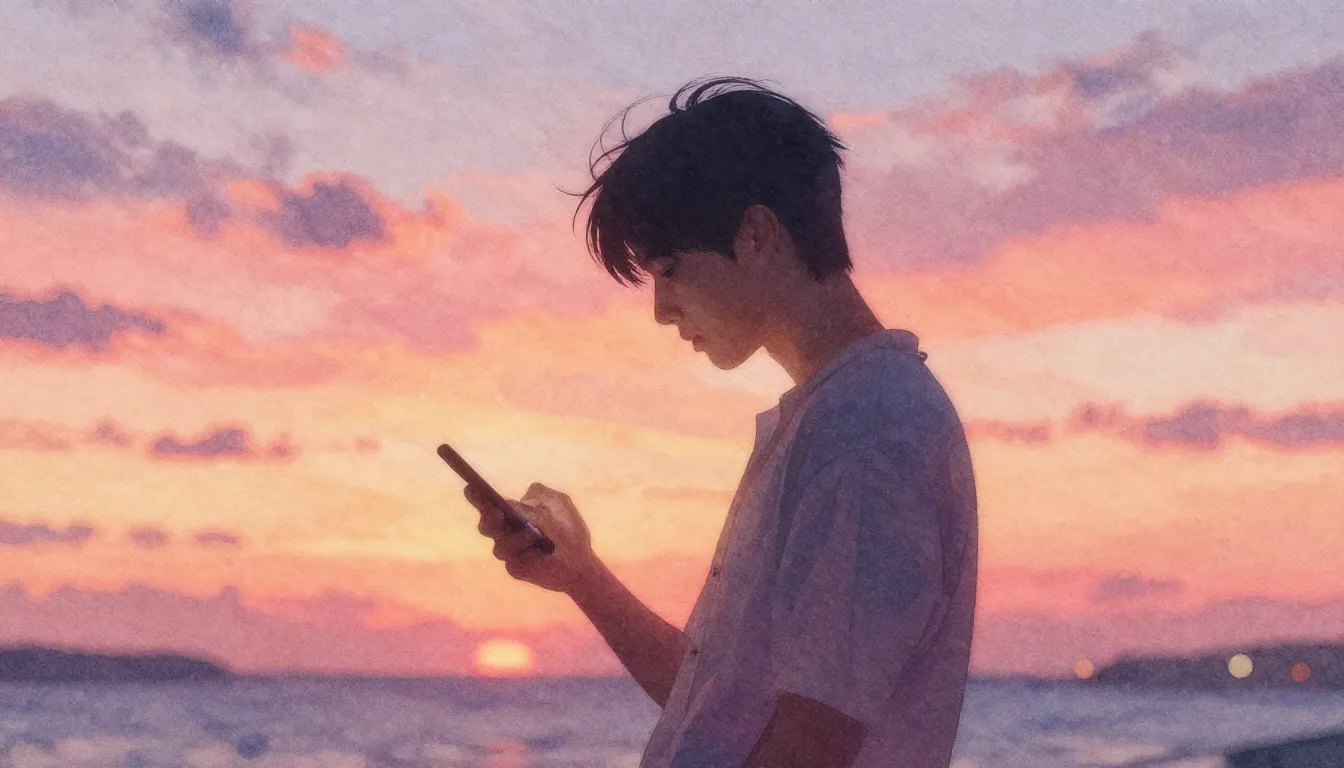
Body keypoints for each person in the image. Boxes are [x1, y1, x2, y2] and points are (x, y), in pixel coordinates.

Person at [465, 77, 979, 768]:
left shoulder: (865, 434)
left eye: (670, 269)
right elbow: (722, 712)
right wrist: (583, 576)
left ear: (757, 234)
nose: (661, 310)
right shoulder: (837, 419)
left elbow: (809, 751)